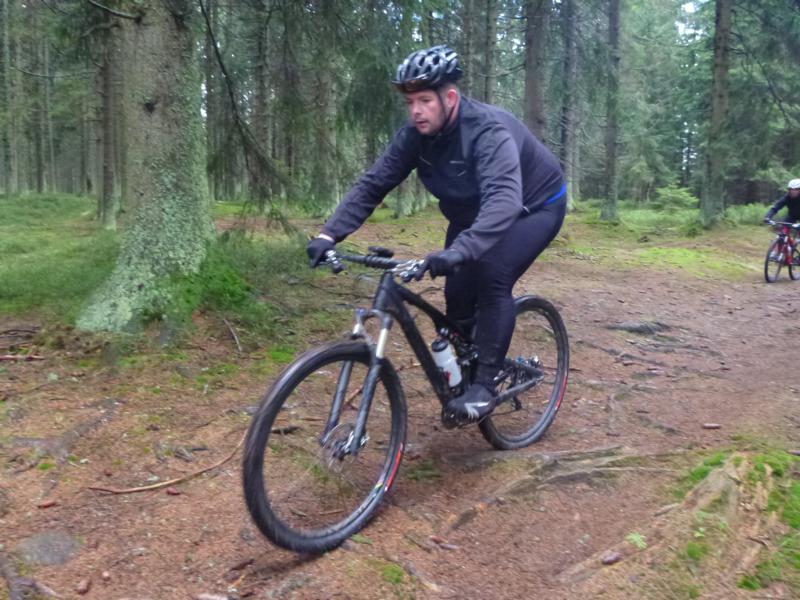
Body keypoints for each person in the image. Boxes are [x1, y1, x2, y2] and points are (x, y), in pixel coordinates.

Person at [306, 45, 567, 425]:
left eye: (425, 100)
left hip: (534, 206)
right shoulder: (415, 136)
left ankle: (485, 386)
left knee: (491, 275)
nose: (416, 110)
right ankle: (468, 363)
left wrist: (463, 250)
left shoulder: (487, 131)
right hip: (472, 213)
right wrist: (329, 234)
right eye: (410, 102)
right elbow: (375, 183)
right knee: (456, 295)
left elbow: (503, 200)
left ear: (450, 98)